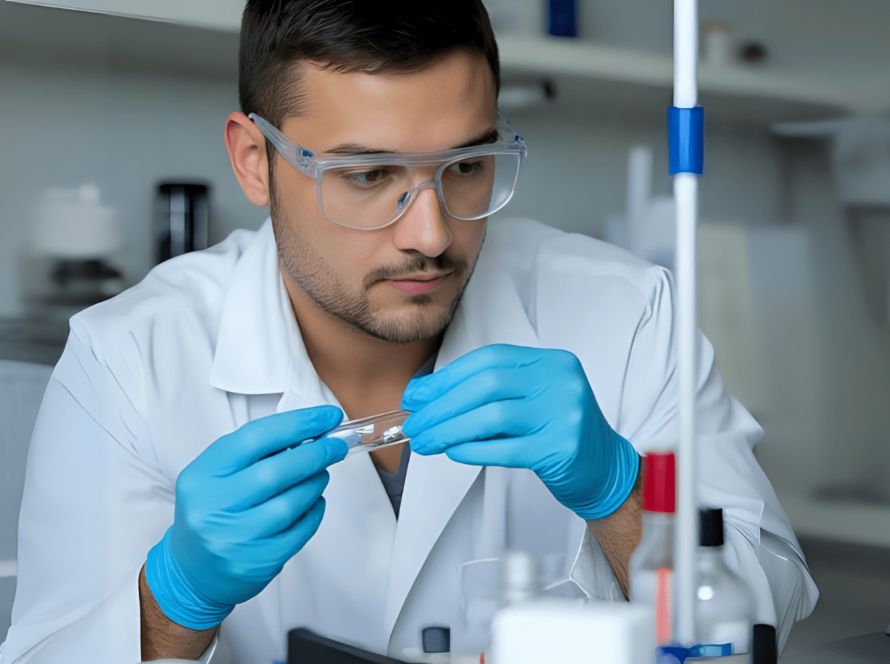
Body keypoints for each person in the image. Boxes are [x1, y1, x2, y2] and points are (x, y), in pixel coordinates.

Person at [0, 1, 817, 662]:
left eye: (466, 165)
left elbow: (765, 618)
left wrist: (620, 493)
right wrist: (171, 603)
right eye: (367, 175)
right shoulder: (130, 358)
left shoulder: (626, 314)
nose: (429, 231)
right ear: (255, 160)